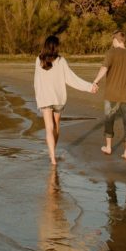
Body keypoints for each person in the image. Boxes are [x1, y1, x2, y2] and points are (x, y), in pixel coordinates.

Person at [34, 35, 98, 165]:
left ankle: (52, 158)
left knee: (49, 128)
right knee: (56, 127)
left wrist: (38, 98)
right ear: (56, 47)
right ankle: (54, 151)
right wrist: (89, 87)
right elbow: (71, 78)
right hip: (58, 98)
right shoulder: (61, 60)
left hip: (45, 98)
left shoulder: (39, 60)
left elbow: (37, 81)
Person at [92, 31, 126, 160]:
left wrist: (95, 81)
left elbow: (104, 68)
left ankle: (108, 147)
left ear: (117, 40)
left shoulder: (111, 52)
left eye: (113, 39)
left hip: (112, 93)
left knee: (109, 120)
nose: (112, 42)